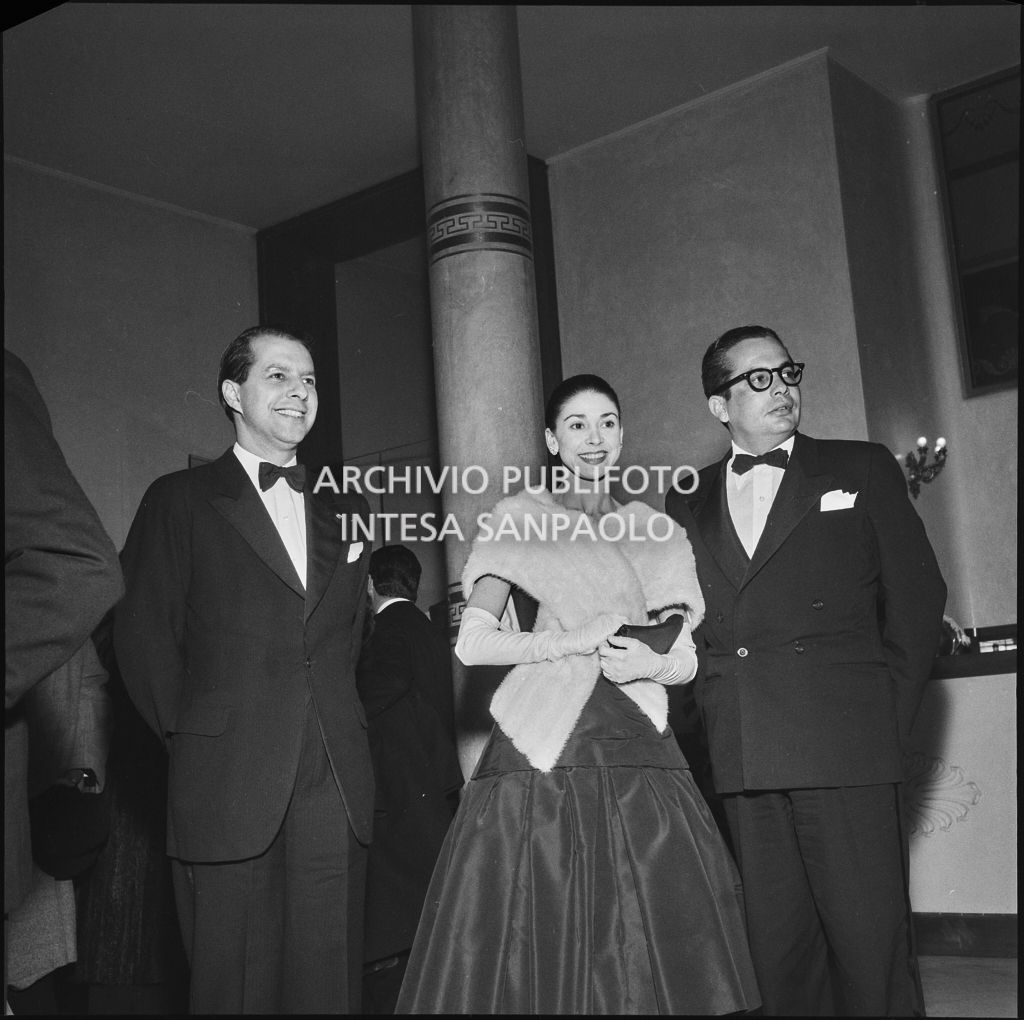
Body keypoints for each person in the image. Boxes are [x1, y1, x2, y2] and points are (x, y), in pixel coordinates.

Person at [396, 374, 759, 1015]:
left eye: (608, 423)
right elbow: (473, 643)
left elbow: (684, 658)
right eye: (578, 425)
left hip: (638, 731)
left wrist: (650, 660)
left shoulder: (657, 531)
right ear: (551, 440)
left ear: (622, 433)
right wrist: (571, 640)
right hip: (543, 737)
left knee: (652, 921)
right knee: (534, 919)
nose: (595, 439)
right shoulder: (518, 518)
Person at [665, 325, 947, 1016]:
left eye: (787, 372)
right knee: (777, 961)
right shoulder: (686, 499)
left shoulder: (862, 467)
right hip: (746, 758)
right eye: (757, 378)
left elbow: (917, 605)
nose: (782, 388)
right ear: (718, 405)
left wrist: (882, 724)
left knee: (868, 949)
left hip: (846, 750)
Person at [114, 325, 373, 1014]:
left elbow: (350, 641)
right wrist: (196, 739)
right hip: (226, 784)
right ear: (233, 392)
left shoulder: (348, 511)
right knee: (235, 992)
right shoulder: (179, 501)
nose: (299, 393)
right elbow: (141, 641)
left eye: (310, 379)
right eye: (279, 376)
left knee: (329, 986)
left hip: (333, 782)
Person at [5, 349, 124, 1004]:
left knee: (41, 962)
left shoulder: (59, 592)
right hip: (57, 792)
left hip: (57, 794)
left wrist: (79, 776)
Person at [358, 544, 462, 1014]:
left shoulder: (387, 630)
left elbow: (385, 686)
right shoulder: (426, 627)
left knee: (397, 896)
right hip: (430, 771)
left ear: (369, 585)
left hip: (397, 776)